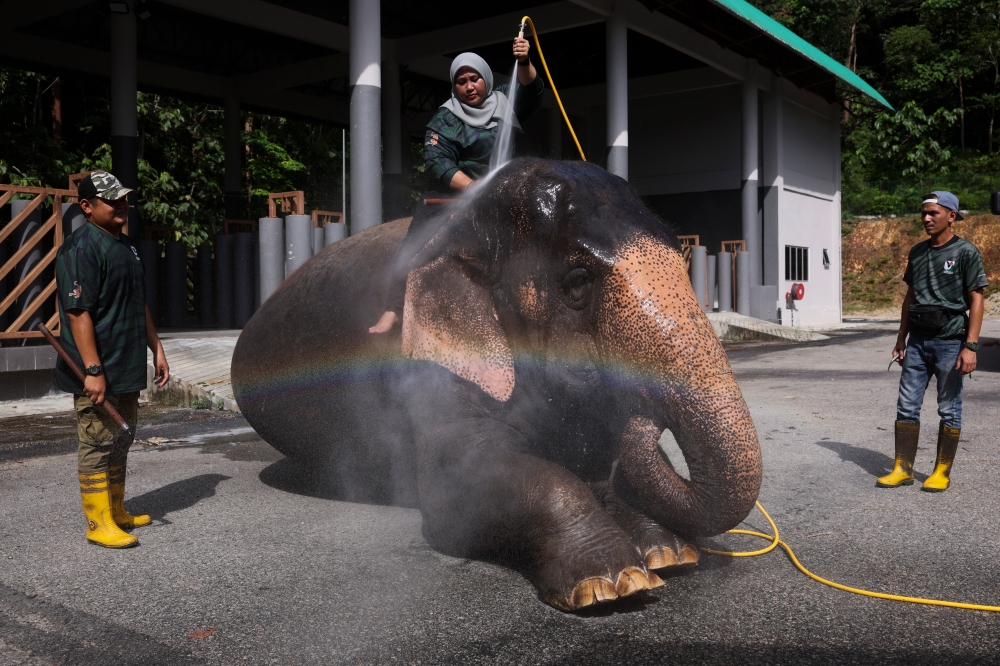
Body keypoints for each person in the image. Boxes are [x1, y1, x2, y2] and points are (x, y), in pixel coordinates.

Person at [369, 36, 544, 334]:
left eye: (474, 78)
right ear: (455, 86)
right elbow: (438, 162)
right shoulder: (445, 118)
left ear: (485, 79)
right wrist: (474, 187)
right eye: (461, 81)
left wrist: (525, 61)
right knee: (414, 246)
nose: (469, 85)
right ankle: (393, 309)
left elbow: (531, 89)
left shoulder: (505, 99)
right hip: (455, 194)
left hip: (507, 190)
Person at [55, 171, 170, 548]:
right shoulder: (81, 248)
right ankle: (98, 523)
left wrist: (157, 348)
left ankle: (117, 509)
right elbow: (77, 313)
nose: (122, 205)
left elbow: (138, 301)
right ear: (86, 207)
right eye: (111, 200)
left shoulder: (128, 246)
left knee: (122, 437)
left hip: (126, 364)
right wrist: (92, 370)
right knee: (97, 443)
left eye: (123, 198)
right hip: (97, 368)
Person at [877, 191, 987, 492]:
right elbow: (909, 297)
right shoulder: (917, 252)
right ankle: (903, 468)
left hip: (951, 341)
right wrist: (901, 337)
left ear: (951, 216)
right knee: (906, 406)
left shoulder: (965, 252)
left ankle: (941, 472)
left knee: (949, 408)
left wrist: (971, 346)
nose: (926, 218)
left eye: (933, 213)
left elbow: (977, 298)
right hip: (917, 342)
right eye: (924, 213)